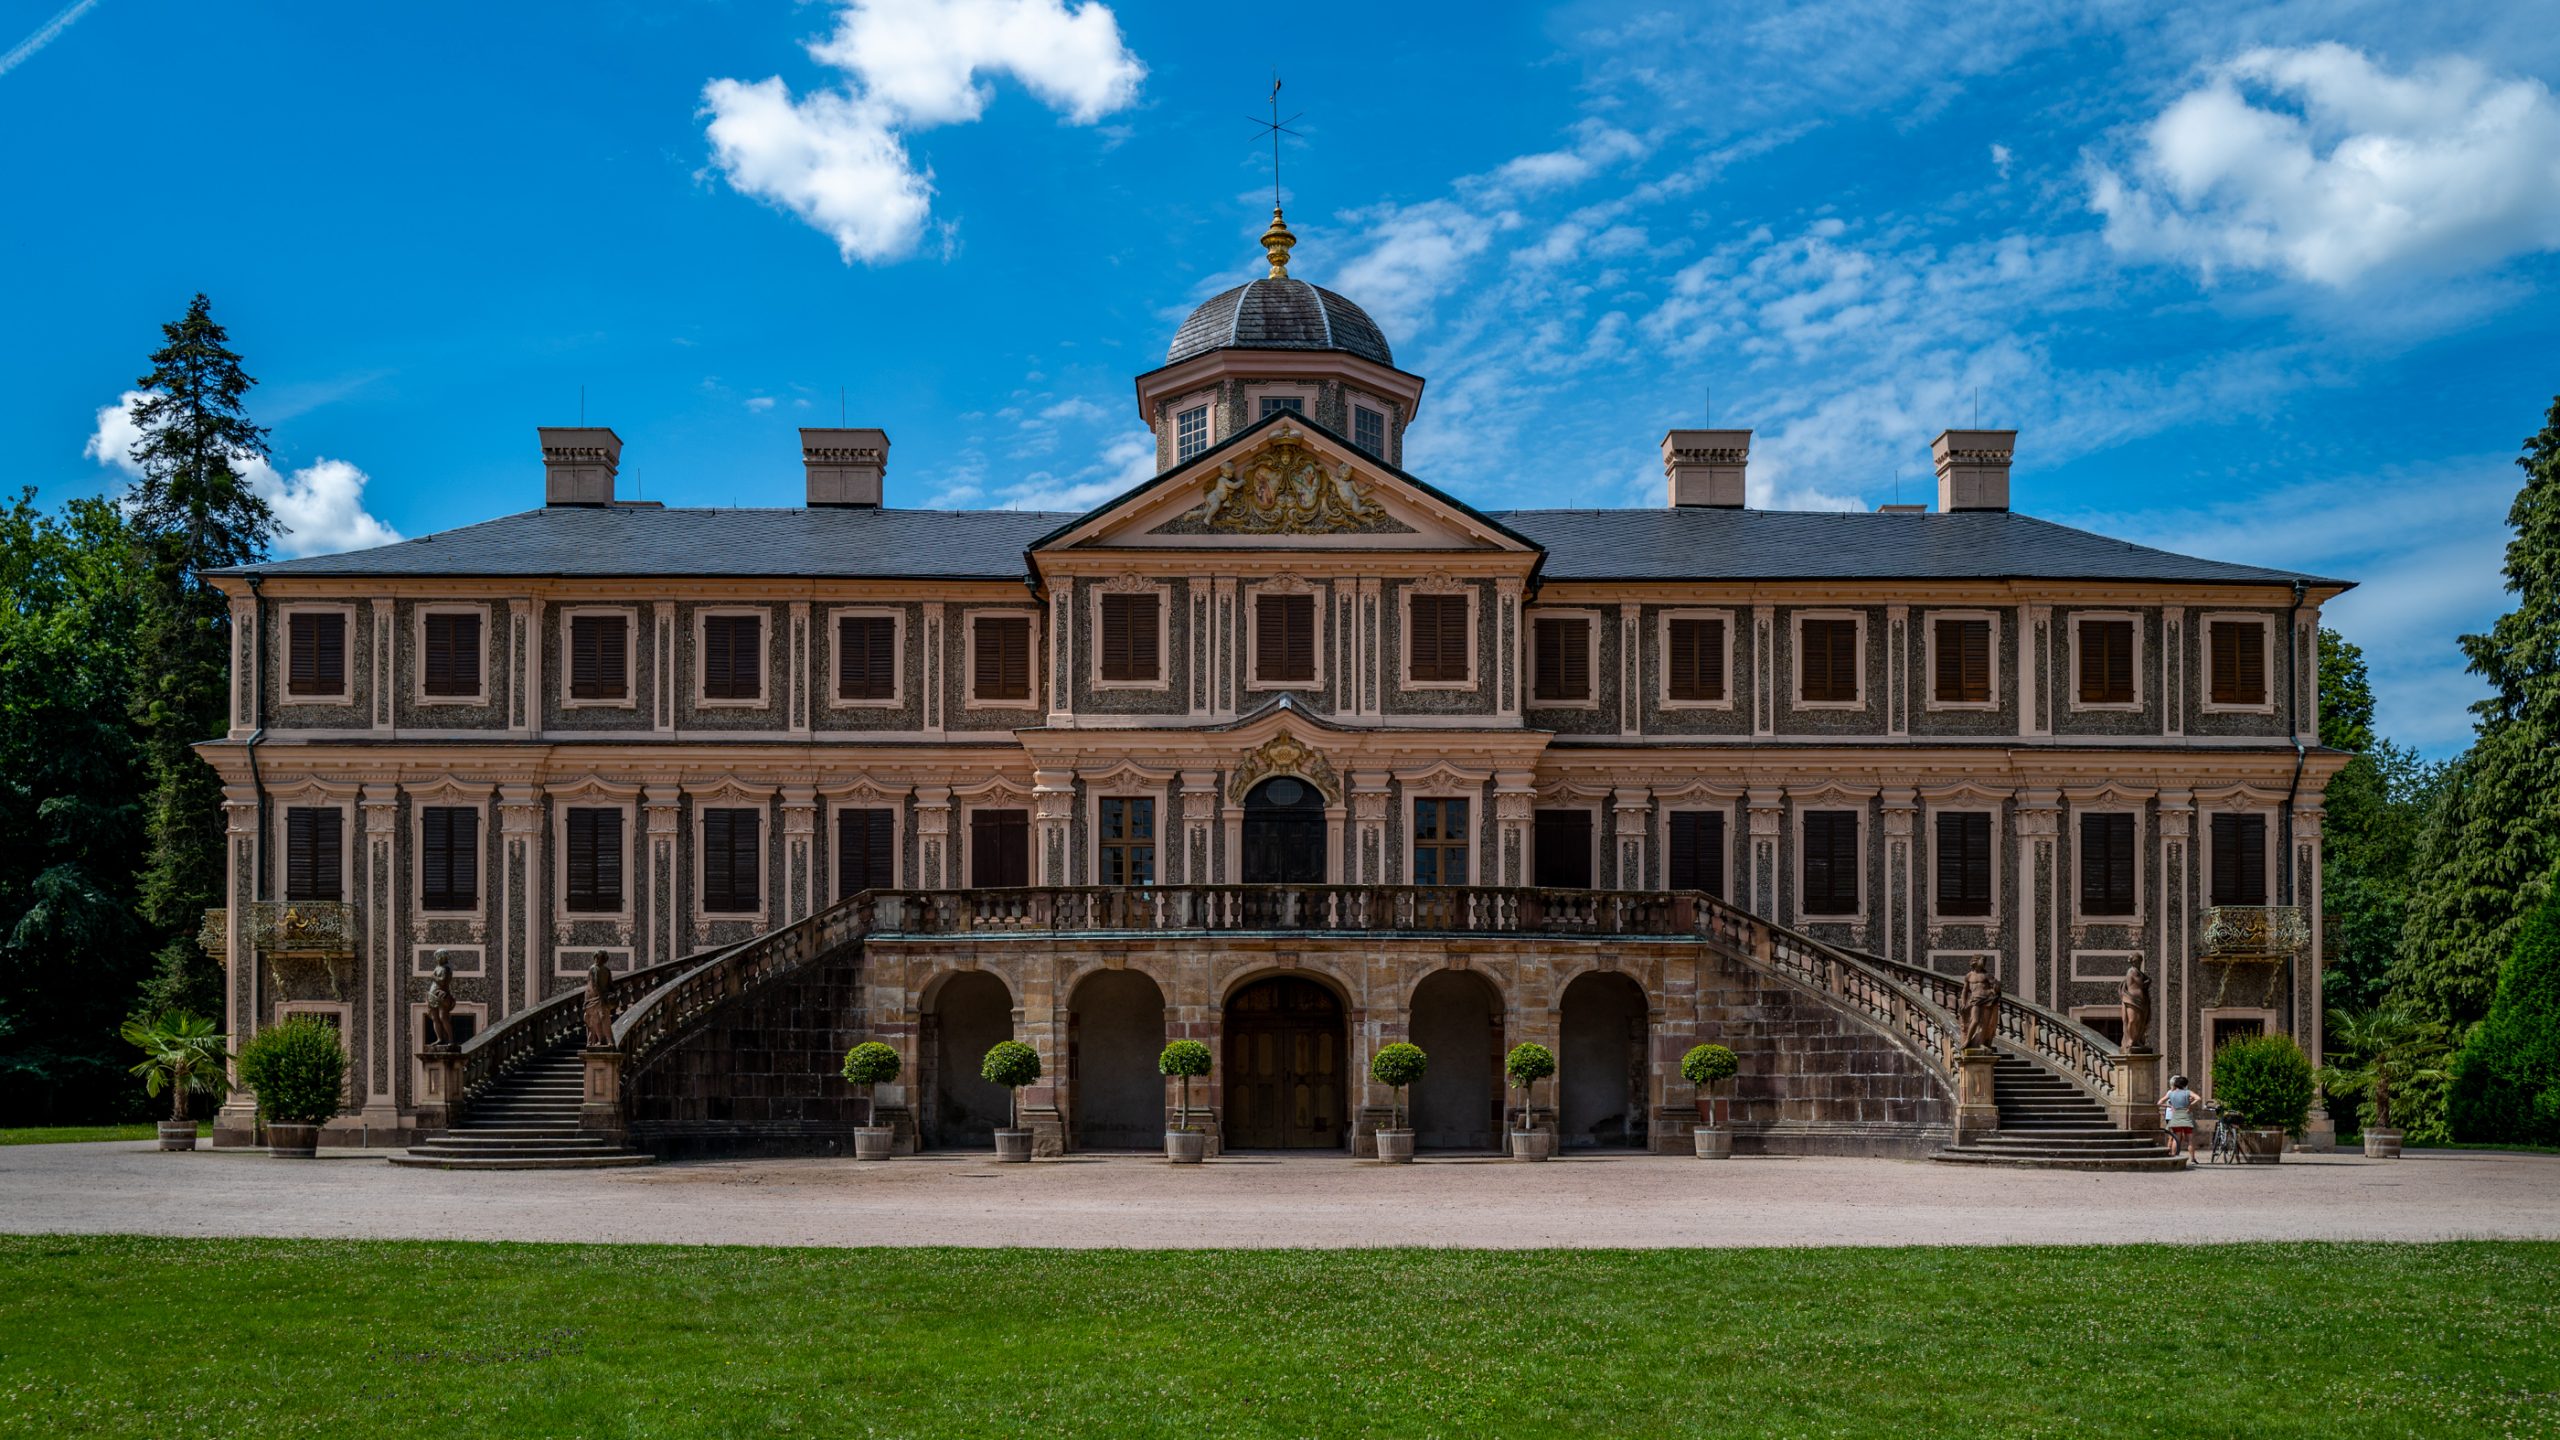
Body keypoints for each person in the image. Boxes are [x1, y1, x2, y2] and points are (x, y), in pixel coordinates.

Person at [2161, 1073, 2200, 1163]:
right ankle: (2193, 1158)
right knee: (2190, 1139)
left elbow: (2159, 1102)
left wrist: (2170, 1106)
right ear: (2185, 1084)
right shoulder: (2188, 1092)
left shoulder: (2171, 1094)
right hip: (2186, 1117)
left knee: (2176, 1138)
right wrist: (2190, 1105)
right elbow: (2198, 1098)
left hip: (2176, 1117)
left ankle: (2174, 1157)